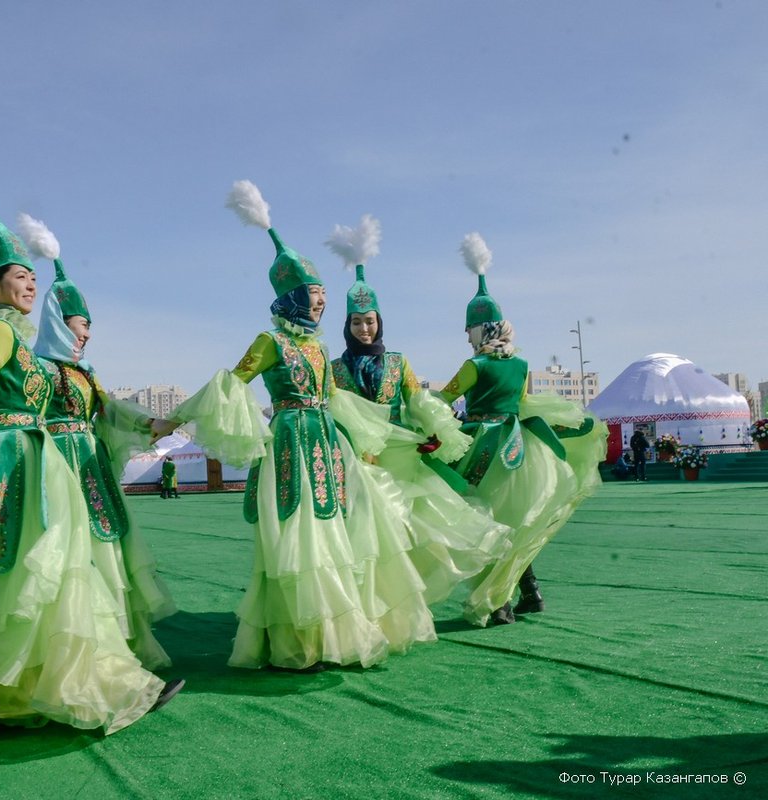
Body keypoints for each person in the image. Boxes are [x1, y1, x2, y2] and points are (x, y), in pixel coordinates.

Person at [0, 131, 178, 733]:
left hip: (42, 467)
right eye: (19, 276)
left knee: (46, 578)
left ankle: (65, 683)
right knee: (30, 577)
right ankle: (28, 690)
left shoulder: (25, 343)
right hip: (14, 465)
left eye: (31, 276)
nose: (29, 283)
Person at [170, 180, 402, 670]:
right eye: (311, 294)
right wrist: (175, 417)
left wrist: (373, 437)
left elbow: (338, 399)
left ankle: (327, 637)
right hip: (288, 445)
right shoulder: (269, 340)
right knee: (294, 538)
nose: (319, 302)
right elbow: (231, 384)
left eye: (321, 294)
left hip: (324, 442)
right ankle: (294, 643)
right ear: (291, 295)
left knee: (329, 536)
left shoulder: (318, 346)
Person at [325, 218, 510, 628]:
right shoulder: (335, 368)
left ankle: (406, 603)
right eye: (356, 322)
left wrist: (437, 431)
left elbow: (417, 398)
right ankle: (366, 609)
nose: (364, 327)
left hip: (401, 455)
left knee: (419, 529)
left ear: (379, 321)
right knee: (366, 534)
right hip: (359, 460)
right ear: (347, 326)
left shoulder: (398, 361)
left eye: (369, 320)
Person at [21, 212, 179, 670]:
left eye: (88, 327)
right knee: (70, 557)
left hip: (90, 471)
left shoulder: (86, 374)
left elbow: (112, 410)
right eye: (78, 325)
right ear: (56, 323)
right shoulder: (39, 369)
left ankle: (112, 652)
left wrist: (156, 423)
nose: (86, 335)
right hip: (57, 468)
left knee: (105, 552)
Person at [439, 234, 607, 626]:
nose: (466, 337)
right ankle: (531, 592)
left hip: (485, 448)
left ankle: (499, 603)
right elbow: (524, 403)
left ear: (480, 330)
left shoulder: (474, 366)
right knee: (519, 524)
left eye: (469, 330)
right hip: (522, 447)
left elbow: (443, 400)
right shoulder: (522, 364)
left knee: (487, 523)